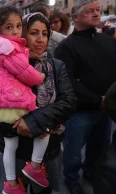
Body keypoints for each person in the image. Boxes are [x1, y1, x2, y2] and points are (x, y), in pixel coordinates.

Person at [0, 12, 77, 194]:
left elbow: (68, 102)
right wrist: (14, 128)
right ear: (22, 35)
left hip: (47, 152)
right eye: (34, 32)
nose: (40, 39)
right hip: (16, 151)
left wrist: (35, 122)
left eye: (45, 33)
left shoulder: (56, 66)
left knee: (43, 191)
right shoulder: (4, 64)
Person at [0, 7, 49, 194]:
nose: (15, 31)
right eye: (9, 27)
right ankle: (35, 166)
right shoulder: (8, 47)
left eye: (18, 26)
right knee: (44, 130)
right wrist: (40, 77)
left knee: (10, 143)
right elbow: (25, 72)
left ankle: (11, 184)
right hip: (10, 102)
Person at [54, 0, 116, 193]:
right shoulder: (66, 47)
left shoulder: (108, 40)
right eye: (90, 11)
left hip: (106, 109)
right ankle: (71, 179)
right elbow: (68, 82)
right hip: (79, 111)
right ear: (75, 17)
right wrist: (97, 99)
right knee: (73, 150)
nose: (96, 14)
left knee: (100, 146)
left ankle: (91, 171)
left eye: (98, 10)